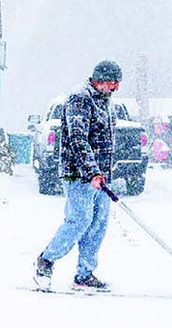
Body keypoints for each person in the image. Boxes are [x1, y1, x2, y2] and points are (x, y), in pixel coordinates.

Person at [33, 60, 122, 291]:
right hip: (79, 174)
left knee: (98, 224)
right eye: (113, 84)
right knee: (79, 220)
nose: (115, 89)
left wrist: (103, 173)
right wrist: (92, 171)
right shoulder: (79, 98)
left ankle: (84, 274)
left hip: (101, 177)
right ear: (100, 79)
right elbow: (77, 138)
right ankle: (46, 260)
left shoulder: (105, 101)